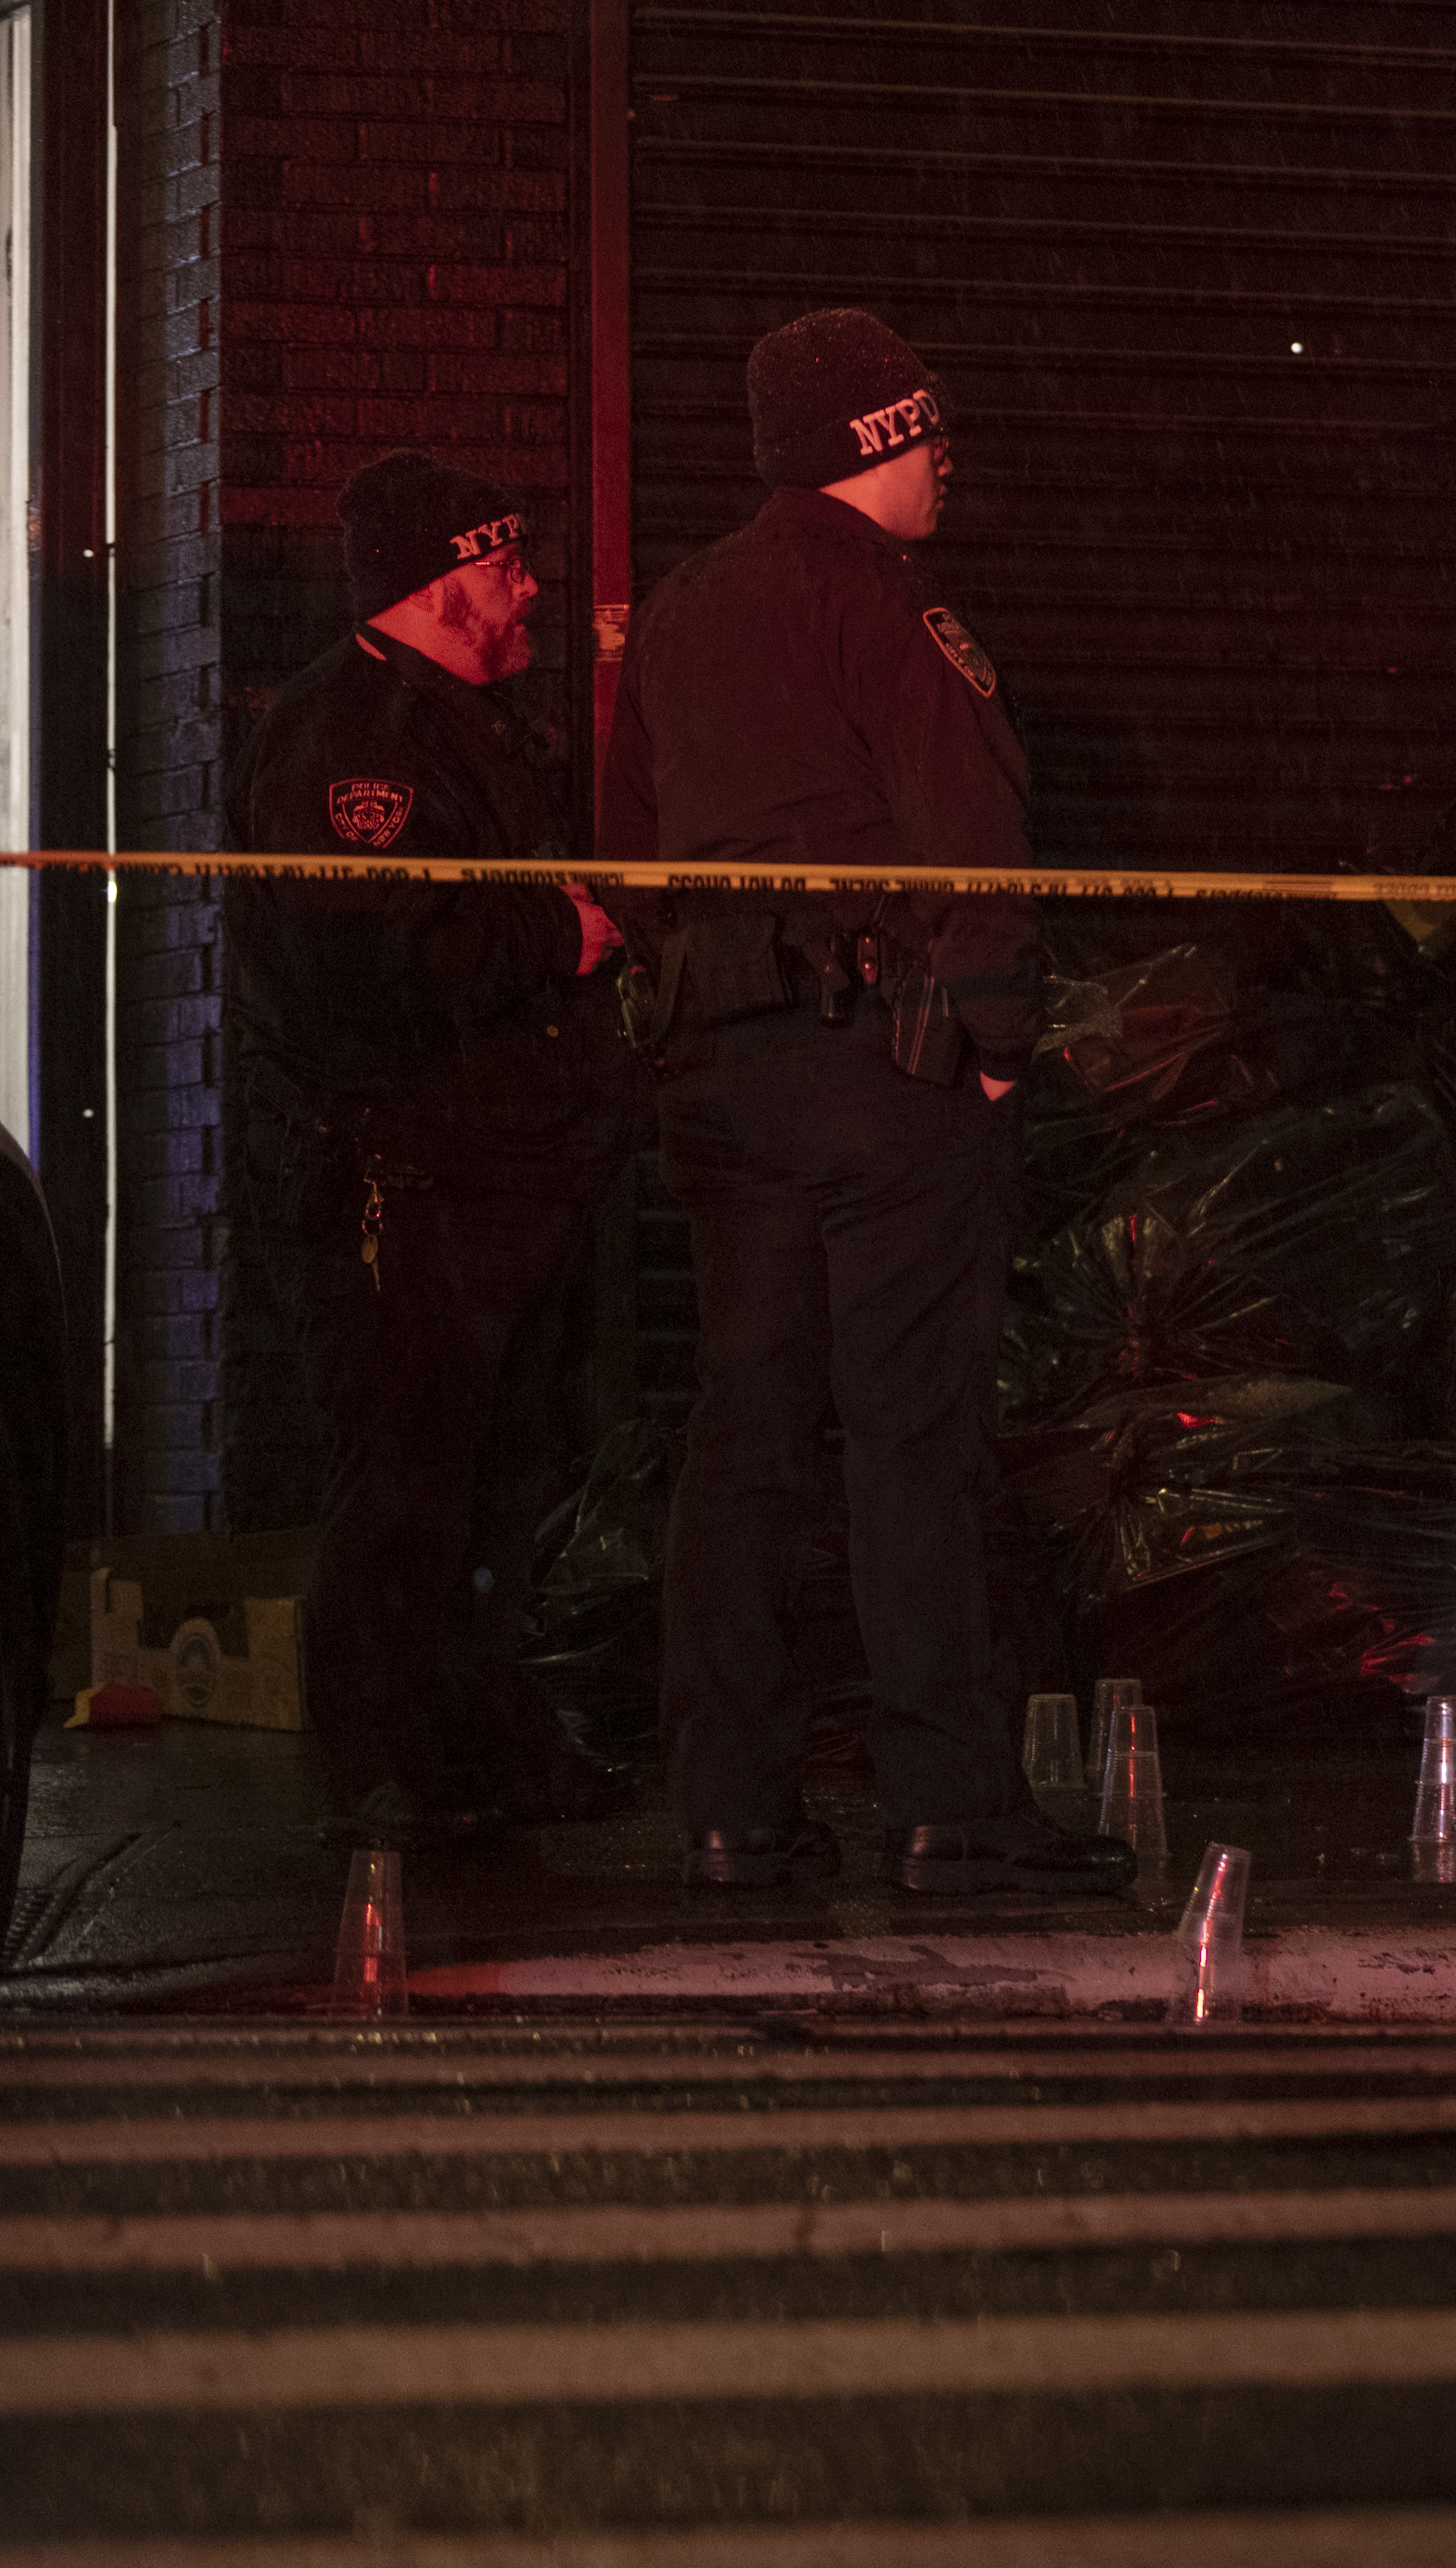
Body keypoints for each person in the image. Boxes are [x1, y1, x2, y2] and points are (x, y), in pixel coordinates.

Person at [596, 309, 1126, 1896]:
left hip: (721, 1075)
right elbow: (975, 836)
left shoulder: (679, 615)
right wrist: (996, 1047)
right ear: (874, 444)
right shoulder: (892, 609)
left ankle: (729, 1806)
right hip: (884, 1076)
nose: (947, 458)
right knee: (911, 1438)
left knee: (742, 1436)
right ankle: (948, 1804)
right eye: (926, 430)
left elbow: (628, 838)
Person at [224, 451, 642, 1849]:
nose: (529, 587)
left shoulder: (470, 725)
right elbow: (359, 951)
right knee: (410, 1475)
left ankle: (472, 1732)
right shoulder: (354, 736)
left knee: (501, 1472)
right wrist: (556, 935)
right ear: (440, 580)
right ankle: (381, 1761)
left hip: (501, 1173)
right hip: (406, 1186)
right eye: (505, 562)